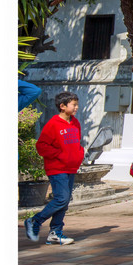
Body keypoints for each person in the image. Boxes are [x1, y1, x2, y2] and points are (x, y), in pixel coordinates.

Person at [25, 91, 85, 245]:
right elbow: (41, 146)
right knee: (61, 199)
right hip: (57, 168)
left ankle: (55, 233)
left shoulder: (75, 123)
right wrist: (60, 155)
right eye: (74, 104)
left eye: (77, 104)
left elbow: (76, 144)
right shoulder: (53, 124)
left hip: (71, 168)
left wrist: (79, 154)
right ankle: (34, 221)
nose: (77, 107)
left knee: (64, 202)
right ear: (62, 106)